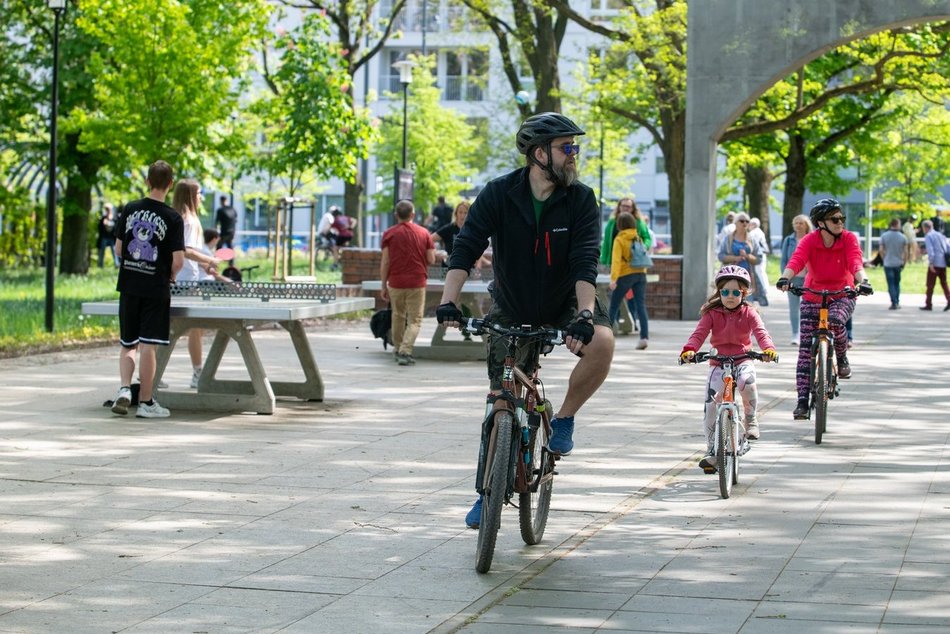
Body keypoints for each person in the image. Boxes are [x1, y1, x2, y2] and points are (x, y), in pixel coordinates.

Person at [434, 112, 615, 528]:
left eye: (575, 147)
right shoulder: (500, 193)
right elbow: (465, 248)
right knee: (501, 398)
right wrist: (448, 303)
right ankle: (488, 493)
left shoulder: (581, 199)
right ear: (539, 154)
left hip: (567, 299)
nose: (574, 154)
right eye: (567, 147)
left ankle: (564, 417)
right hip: (513, 303)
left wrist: (585, 315)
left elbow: (585, 262)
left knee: (603, 344)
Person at [776, 198, 871, 419]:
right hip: (813, 295)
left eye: (841, 218)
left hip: (843, 294)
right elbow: (797, 260)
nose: (840, 222)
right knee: (804, 351)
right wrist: (785, 278)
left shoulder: (848, 238)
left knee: (836, 321)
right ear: (821, 223)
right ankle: (802, 402)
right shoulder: (809, 240)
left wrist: (863, 281)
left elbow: (855, 262)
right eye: (835, 219)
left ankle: (842, 357)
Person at [680, 266, 777, 464]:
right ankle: (712, 450)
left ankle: (750, 418)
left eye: (735, 292)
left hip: (743, 359)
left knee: (747, 382)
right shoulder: (711, 313)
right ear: (719, 292)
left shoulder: (749, 313)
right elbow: (699, 334)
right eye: (725, 292)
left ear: (744, 293)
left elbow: (760, 332)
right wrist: (689, 350)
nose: (730, 296)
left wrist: (768, 349)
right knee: (711, 405)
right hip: (718, 362)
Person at [111, 160, 184, 419]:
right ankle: (146, 402)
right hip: (155, 288)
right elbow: (178, 260)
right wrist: (171, 274)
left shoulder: (130, 209)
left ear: (147, 181)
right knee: (148, 345)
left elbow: (119, 249)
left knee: (128, 343)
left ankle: (124, 389)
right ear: (170, 184)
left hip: (129, 285)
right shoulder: (173, 218)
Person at [172, 179, 221, 388]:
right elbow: (186, 250)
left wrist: (204, 266)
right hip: (185, 282)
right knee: (195, 327)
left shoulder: (175, 218)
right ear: (191, 196)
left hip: (177, 279)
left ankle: (153, 374)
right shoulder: (190, 221)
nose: (201, 197)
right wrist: (209, 260)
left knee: (170, 329)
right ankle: (197, 373)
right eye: (199, 193)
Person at [380, 199, 436, 365]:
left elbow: (385, 261)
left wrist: (383, 285)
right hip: (417, 282)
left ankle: (398, 349)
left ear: (396, 215)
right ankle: (405, 351)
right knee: (415, 320)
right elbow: (431, 259)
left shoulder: (389, 234)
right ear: (413, 214)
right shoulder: (424, 233)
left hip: (395, 282)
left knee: (397, 316)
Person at [608, 211, 651, 349]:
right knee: (641, 306)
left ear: (620, 225)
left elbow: (616, 261)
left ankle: (606, 338)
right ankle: (644, 338)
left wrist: (613, 279)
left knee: (614, 305)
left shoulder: (620, 239)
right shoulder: (637, 237)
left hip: (625, 275)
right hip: (641, 273)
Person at [779, 214, 813, 344]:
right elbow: (784, 260)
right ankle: (795, 334)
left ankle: (807, 332)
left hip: (809, 279)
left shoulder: (811, 239)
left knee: (808, 307)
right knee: (794, 308)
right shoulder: (789, 240)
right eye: (796, 223)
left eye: (801, 223)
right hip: (793, 279)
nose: (798, 225)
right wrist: (785, 277)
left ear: (806, 225)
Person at [718, 212, 761, 298]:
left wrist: (747, 256)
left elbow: (759, 258)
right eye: (741, 221)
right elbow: (721, 256)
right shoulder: (728, 239)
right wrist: (735, 258)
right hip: (730, 277)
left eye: (747, 221)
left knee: (747, 301)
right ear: (735, 223)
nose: (745, 223)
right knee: (732, 300)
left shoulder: (752, 239)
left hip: (747, 278)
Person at [599, 198, 645, 267]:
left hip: (633, 261)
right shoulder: (612, 222)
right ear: (619, 207)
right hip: (614, 260)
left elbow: (647, 238)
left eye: (628, 206)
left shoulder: (639, 223)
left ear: (633, 208)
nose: (625, 208)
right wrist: (604, 258)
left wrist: (642, 247)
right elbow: (606, 242)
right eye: (623, 206)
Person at [920, 219, 950, 311]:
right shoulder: (940, 235)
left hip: (935, 263)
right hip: (943, 262)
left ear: (925, 228)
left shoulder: (929, 236)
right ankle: (949, 299)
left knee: (930, 284)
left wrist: (931, 263)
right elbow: (948, 247)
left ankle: (928, 304)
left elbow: (930, 251)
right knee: (944, 283)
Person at [879, 218, 908, 310]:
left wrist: (884, 259)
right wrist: (904, 262)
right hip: (898, 263)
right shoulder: (903, 237)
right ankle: (897, 301)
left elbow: (881, 250)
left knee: (890, 284)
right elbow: (906, 252)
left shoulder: (884, 236)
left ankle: (893, 302)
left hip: (888, 263)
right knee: (897, 283)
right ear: (897, 225)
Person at [747, 217, 770, 306]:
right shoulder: (760, 232)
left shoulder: (753, 233)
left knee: (758, 273)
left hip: (756, 255)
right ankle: (765, 289)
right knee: (762, 272)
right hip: (762, 255)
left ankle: (763, 290)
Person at [96, 203, 118, 268]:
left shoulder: (114, 218)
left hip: (112, 238)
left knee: (114, 252)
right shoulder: (103, 218)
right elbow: (99, 228)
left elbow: (117, 227)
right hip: (104, 237)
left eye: (108, 209)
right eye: (106, 209)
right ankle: (100, 265)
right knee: (101, 252)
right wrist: (103, 223)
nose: (107, 210)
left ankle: (117, 264)